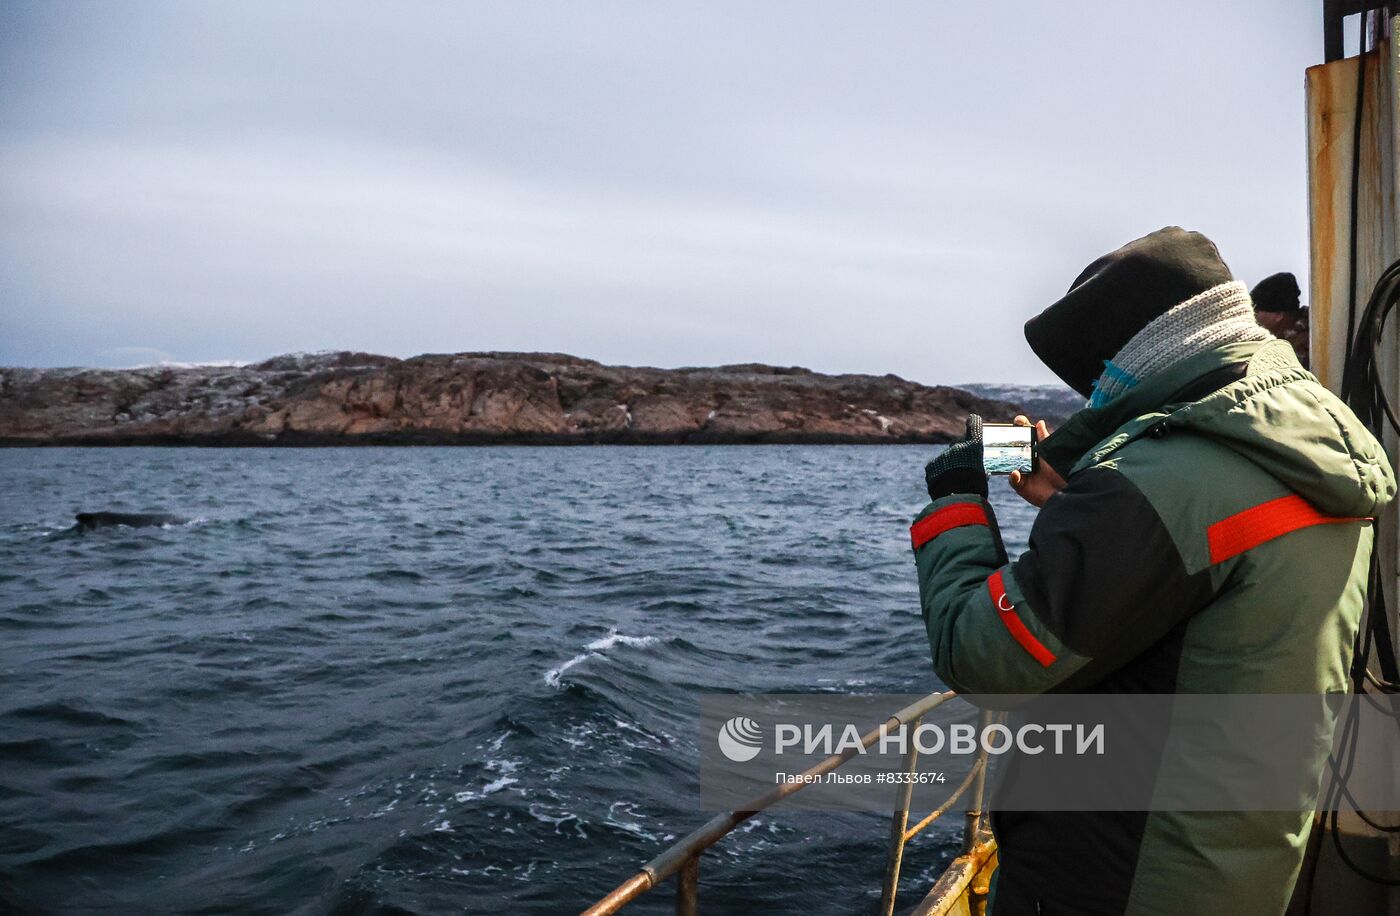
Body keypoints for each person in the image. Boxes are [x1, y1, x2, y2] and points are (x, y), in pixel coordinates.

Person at [910, 227, 1395, 915]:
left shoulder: (1158, 485)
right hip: (1234, 860)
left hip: (1115, 879)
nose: (1094, 395)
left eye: (1101, 378)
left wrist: (957, 501)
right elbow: (1204, 582)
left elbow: (981, 653)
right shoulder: (1305, 437)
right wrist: (1079, 499)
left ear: (1143, 357)